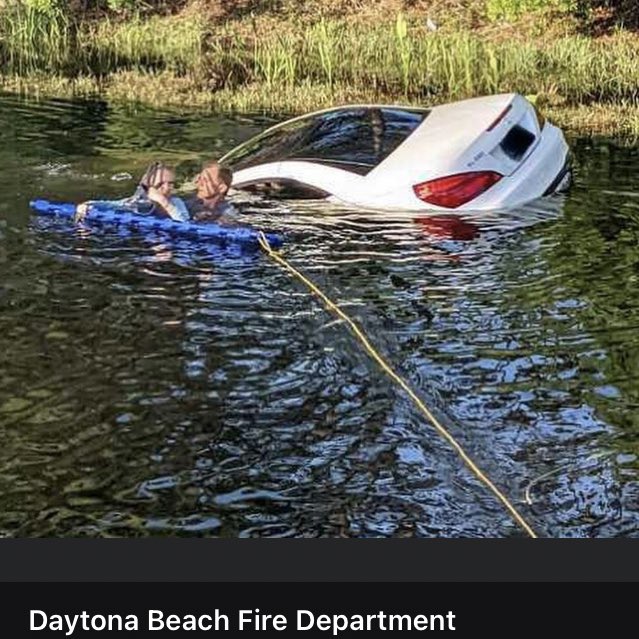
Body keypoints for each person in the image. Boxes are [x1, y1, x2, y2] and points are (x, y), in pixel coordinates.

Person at [74, 162, 190, 224]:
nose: (167, 188)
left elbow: (185, 224)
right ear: (150, 188)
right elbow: (111, 204)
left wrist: (166, 204)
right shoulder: (139, 202)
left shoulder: (176, 202)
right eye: (160, 184)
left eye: (170, 183)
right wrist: (88, 204)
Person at [185, 161, 237, 225]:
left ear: (222, 188)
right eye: (199, 179)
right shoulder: (188, 204)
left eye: (205, 180)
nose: (198, 183)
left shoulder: (228, 212)